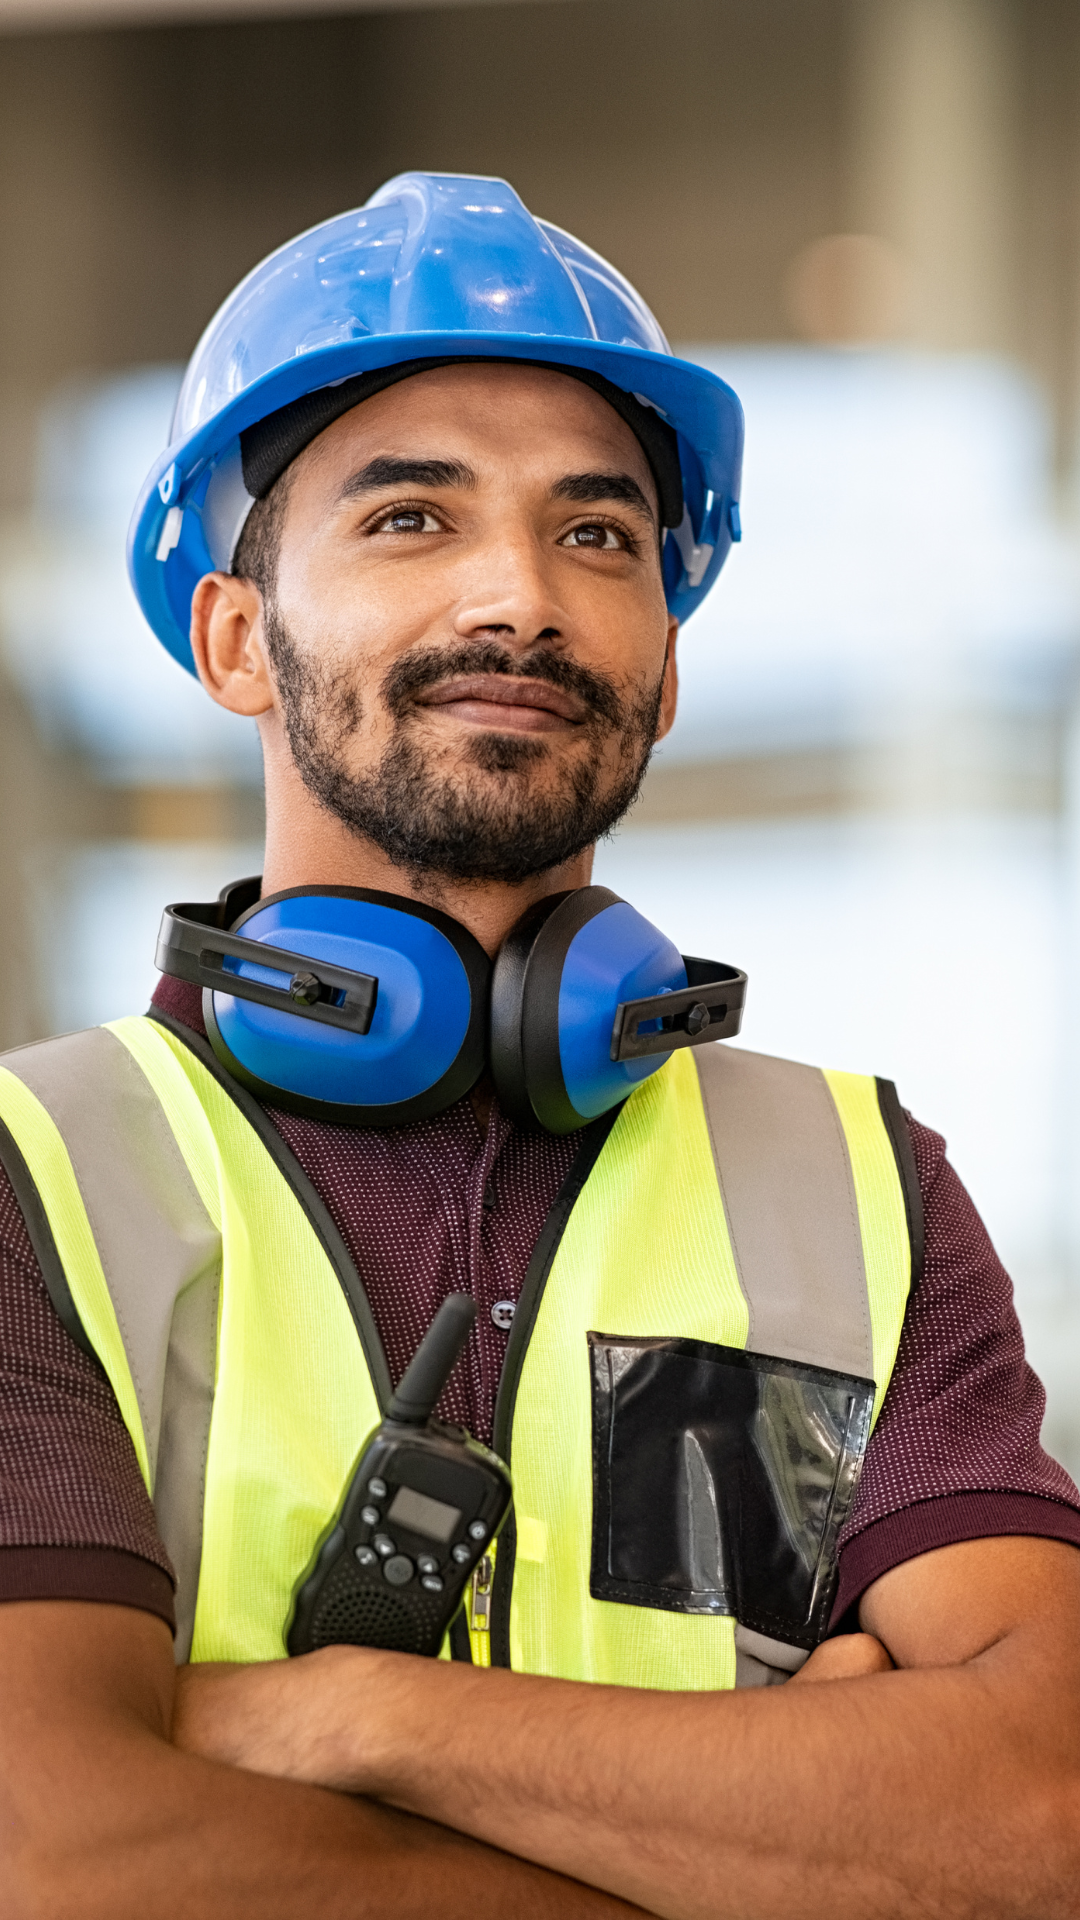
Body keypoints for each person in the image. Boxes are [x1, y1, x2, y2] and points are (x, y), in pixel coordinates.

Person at [1, 172, 1078, 1920]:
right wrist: (779, 1843)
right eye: (411, 520)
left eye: (598, 535)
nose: (519, 597)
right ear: (233, 641)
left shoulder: (861, 1191)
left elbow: (1041, 1814)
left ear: (666, 671)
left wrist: (353, 1715)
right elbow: (58, 1852)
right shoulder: (33, 1178)